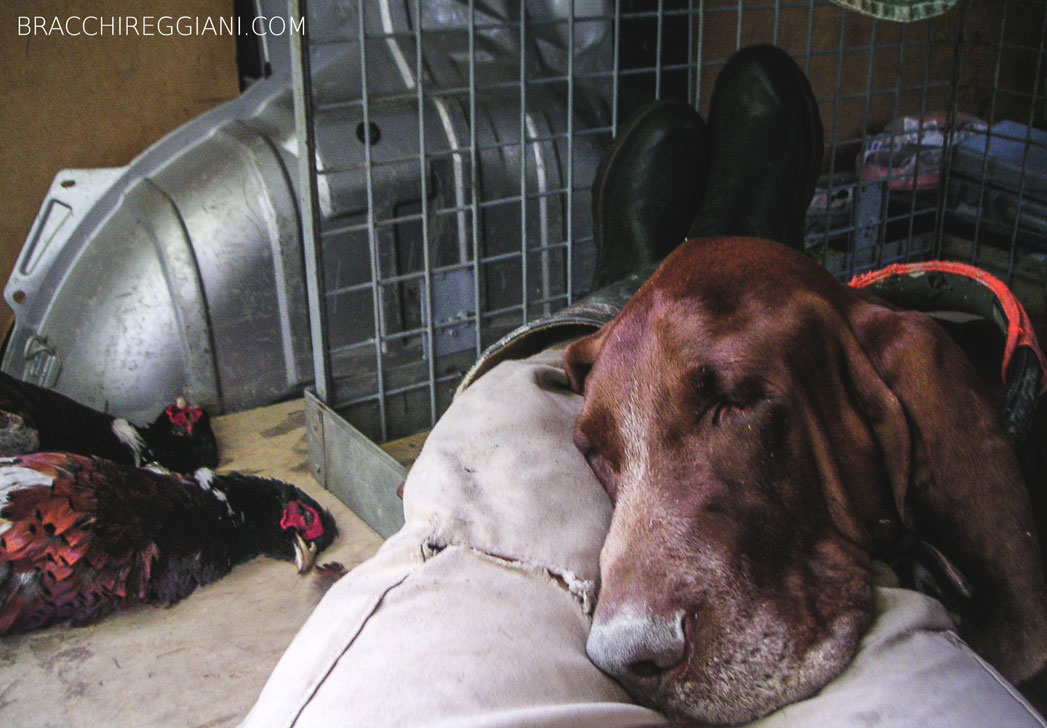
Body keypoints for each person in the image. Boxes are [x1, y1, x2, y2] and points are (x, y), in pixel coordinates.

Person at [239, 46, 1045, 728]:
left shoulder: (891, 361)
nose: (616, 634)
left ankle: (600, 308)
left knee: (509, 444)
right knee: (598, 401)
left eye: (730, 399)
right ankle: (698, 266)